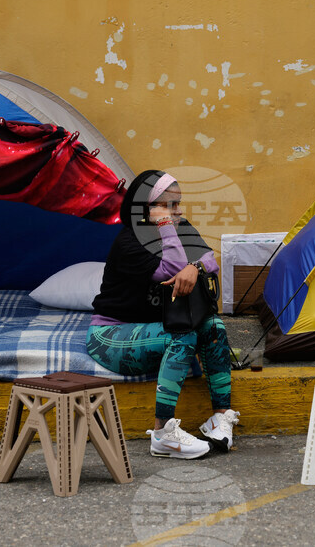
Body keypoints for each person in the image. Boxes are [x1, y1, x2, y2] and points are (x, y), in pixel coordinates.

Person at [87, 169, 238, 459]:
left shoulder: (182, 227)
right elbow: (170, 268)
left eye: (178, 204)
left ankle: (219, 418)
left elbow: (209, 261)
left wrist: (195, 268)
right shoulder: (129, 243)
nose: (179, 212)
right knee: (182, 336)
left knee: (214, 326)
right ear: (148, 208)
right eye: (170, 205)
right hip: (111, 335)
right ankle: (162, 434)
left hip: (157, 327)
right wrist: (166, 225)